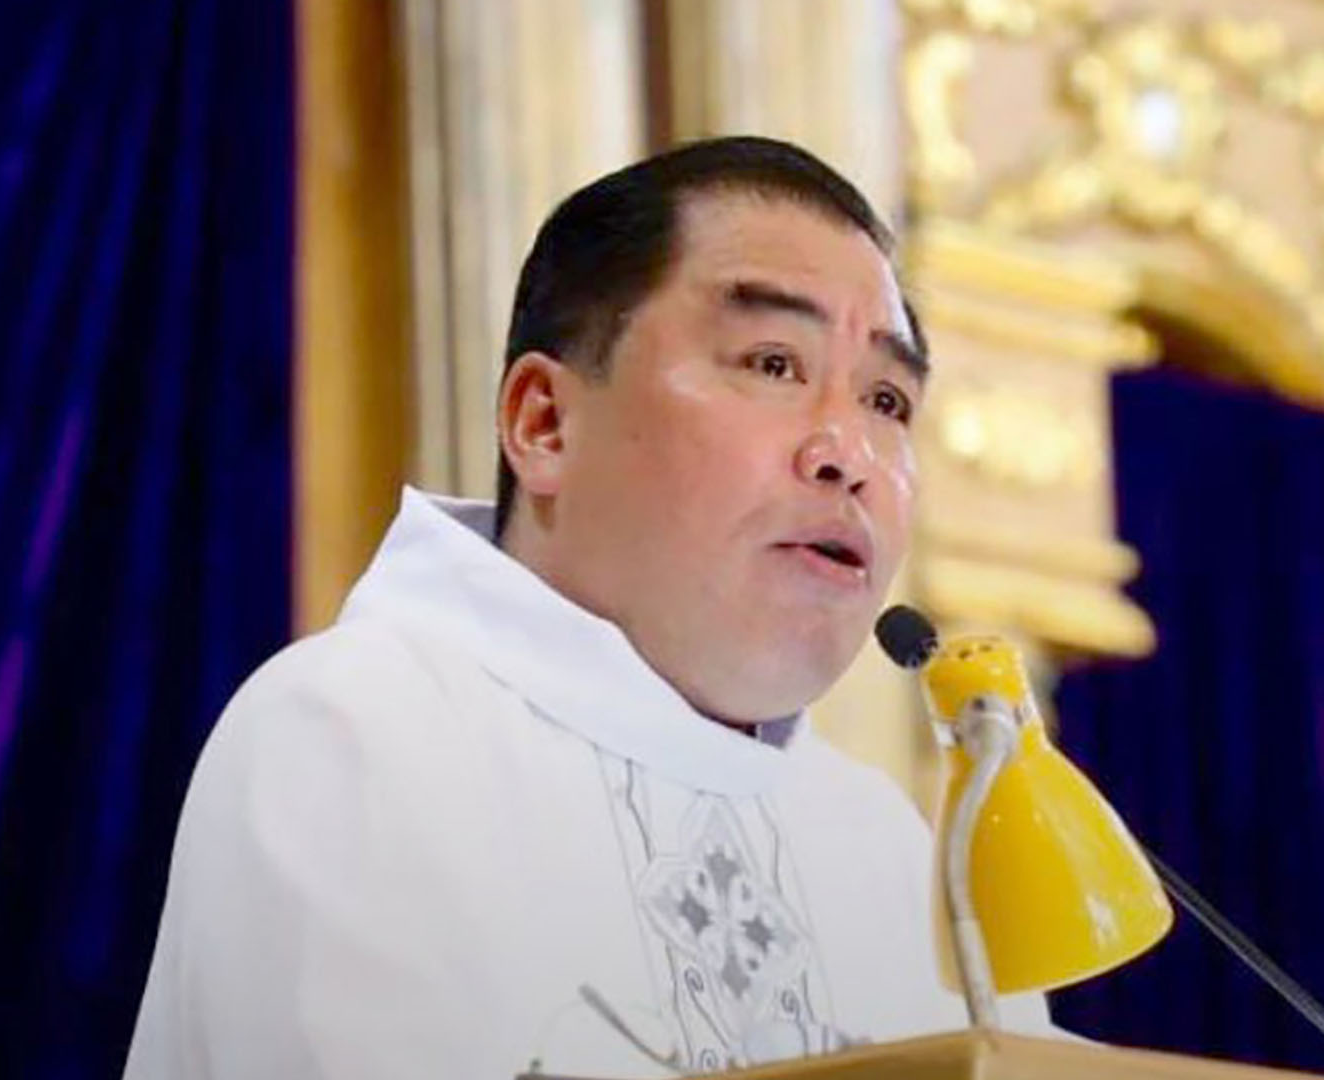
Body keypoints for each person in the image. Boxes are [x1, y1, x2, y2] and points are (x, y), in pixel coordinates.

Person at [124, 136, 1053, 1080]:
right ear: (545, 423)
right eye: (774, 363)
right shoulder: (357, 731)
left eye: (888, 401)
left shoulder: (891, 855)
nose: (848, 453)